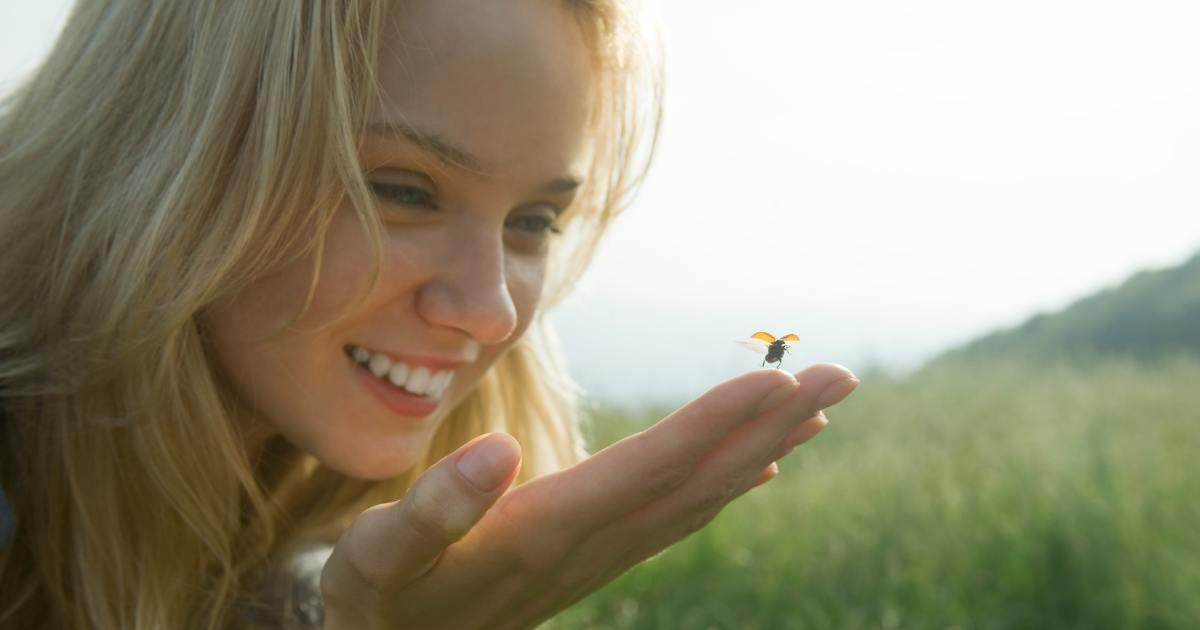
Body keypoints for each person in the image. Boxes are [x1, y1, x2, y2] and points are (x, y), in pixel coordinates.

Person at [0, 0, 860, 628]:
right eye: (401, 191)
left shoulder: (320, 558)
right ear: (163, 155)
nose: (491, 314)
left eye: (534, 221)